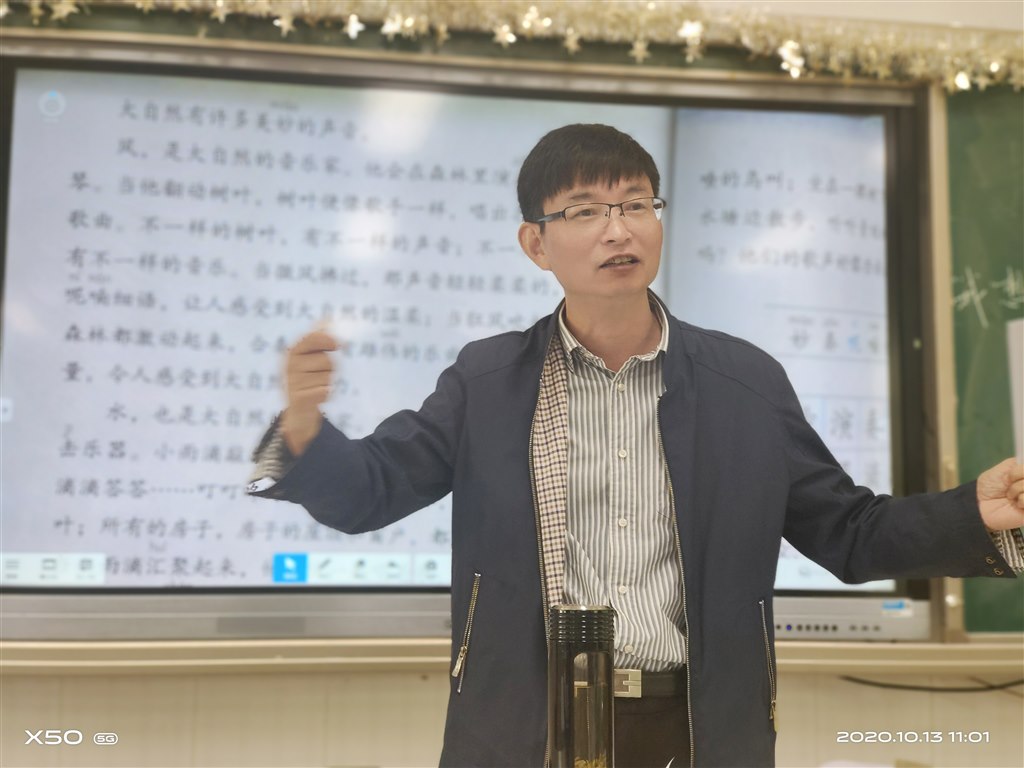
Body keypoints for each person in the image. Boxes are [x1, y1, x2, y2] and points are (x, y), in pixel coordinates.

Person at [249, 124, 1024, 767]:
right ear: (536, 243)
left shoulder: (744, 383)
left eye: (635, 204)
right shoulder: (489, 381)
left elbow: (848, 532)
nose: (618, 228)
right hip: (524, 728)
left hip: (696, 727)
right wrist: (306, 429)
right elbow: (373, 491)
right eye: (585, 210)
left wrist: (975, 514)